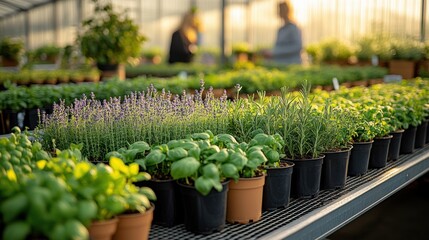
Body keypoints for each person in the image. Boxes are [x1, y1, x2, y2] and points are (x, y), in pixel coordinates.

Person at [264, 0, 303, 65]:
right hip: (280, 64)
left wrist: (274, 53)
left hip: (292, 64)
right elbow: (278, 46)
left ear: (287, 11)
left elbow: (297, 47)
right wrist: (270, 52)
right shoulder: (281, 29)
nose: (278, 12)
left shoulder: (293, 28)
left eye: (281, 10)